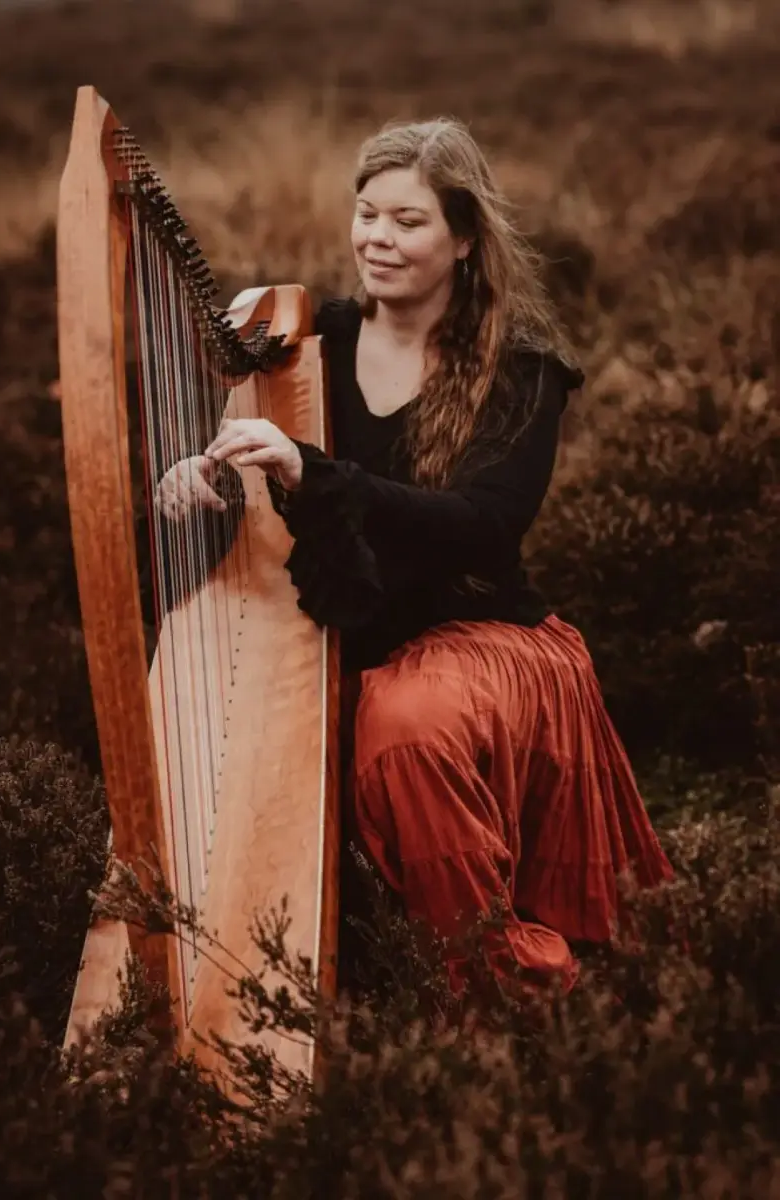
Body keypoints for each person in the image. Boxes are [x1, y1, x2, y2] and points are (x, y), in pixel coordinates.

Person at [158, 118, 673, 996]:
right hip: (344, 629)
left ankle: (492, 984)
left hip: (478, 635)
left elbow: (481, 525)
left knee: (404, 727)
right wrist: (195, 480)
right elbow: (264, 509)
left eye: (408, 221)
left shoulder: (520, 369)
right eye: (367, 214)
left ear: (464, 239)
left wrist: (317, 473)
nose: (378, 239)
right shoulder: (304, 344)